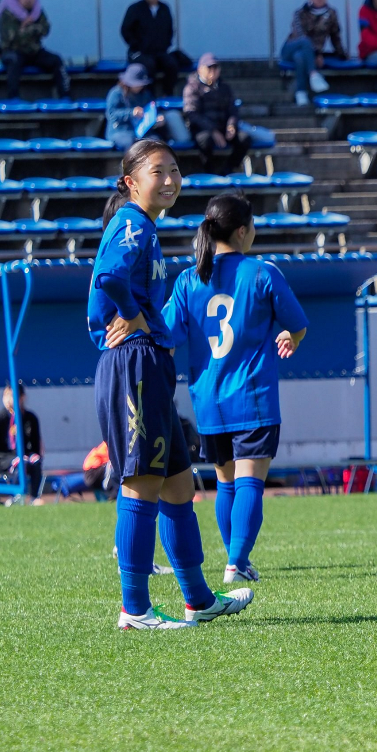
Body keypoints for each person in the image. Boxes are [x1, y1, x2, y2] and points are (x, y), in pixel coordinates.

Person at [89, 139, 253, 629]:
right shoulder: (132, 222)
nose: (169, 179)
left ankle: (198, 599)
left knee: (180, 487)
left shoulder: (147, 227)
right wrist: (136, 319)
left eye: (175, 170)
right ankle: (134, 608)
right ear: (130, 182)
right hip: (132, 363)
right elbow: (108, 278)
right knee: (141, 483)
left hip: (150, 362)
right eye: (157, 171)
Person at [163, 192, 308, 584]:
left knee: (225, 480)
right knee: (250, 480)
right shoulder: (262, 273)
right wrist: (291, 338)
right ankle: (237, 562)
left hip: (208, 400)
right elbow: (297, 323)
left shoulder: (188, 279)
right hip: (252, 396)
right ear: (243, 231)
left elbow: (167, 333)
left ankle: (234, 561)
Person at [0, 0, 69, 99]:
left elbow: (45, 29)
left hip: (34, 51)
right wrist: (33, 29)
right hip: (14, 51)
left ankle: (65, 96)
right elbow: (13, 37)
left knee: (56, 60)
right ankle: (13, 99)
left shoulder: (37, 12)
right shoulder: (7, 14)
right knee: (13, 62)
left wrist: (26, 28)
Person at [183, 53, 249, 175]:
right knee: (205, 140)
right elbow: (192, 114)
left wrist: (231, 125)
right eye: (209, 68)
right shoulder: (192, 88)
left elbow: (233, 110)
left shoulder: (225, 88)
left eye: (215, 68)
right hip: (202, 129)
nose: (213, 71)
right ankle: (209, 170)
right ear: (200, 69)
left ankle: (229, 168)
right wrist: (212, 130)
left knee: (244, 138)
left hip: (223, 127)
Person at [121, 0, 186, 97]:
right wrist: (136, 45)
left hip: (159, 52)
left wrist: (165, 45)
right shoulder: (135, 9)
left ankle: (168, 94)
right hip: (139, 53)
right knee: (148, 65)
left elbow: (170, 30)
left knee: (172, 64)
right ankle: (149, 96)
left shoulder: (164, 9)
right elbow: (125, 30)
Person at [281, 0, 345, 106]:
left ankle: (301, 93)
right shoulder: (300, 13)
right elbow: (300, 34)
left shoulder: (331, 14)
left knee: (299, 57)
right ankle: (313, 74)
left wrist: (342, 54)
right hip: (290, 48)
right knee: (305, 42)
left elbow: (335, 35)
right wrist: (316, 54)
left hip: (305, 54)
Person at [106, 63, 189, 150]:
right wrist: (132, 112)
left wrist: (158, 118)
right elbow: (112, 114)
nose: (139, 86)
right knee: (131, 143)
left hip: (143, 131)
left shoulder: (146, 94)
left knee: (156, 143)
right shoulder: (116, 93)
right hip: (121, 130)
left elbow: (152, 109)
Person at [0, 383, 43, 499]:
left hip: (24, 455)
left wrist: (34, 454)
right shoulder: (0, 419)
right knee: (20, 462)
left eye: (12, 396)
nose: (8, 400)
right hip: (5, 457)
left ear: (22, 398)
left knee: (35, 461)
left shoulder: (31, 418)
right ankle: (18, 496)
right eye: (6, 396)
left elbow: (35, 443)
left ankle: (34, 497)